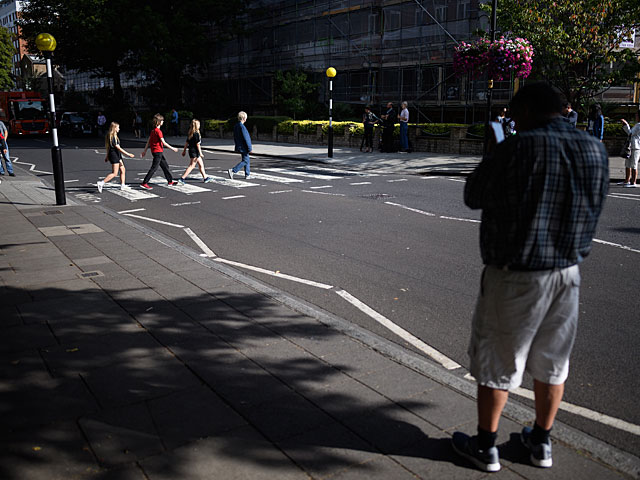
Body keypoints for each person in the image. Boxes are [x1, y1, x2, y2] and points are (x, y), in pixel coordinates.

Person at [453, 82, 608, 473]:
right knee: (553, 362)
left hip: (516, 275)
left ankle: (485, 447)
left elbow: (474, 194)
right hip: (567, 273)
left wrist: (494, 149)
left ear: (524, 113)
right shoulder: (595, 149)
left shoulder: (517, 148)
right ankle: (541, 442)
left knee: (498, 362)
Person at [140, 114, 178, 190]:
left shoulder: (153, 131)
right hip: (158, 152)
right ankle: (144, 182)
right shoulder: (158, 131)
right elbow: (163, 142)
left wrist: (144, 151)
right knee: (154, 168)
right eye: (162, 120)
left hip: (155, 151)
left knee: (165, 166)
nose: (163, 122)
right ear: (159, 122)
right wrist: (172, 148)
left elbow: (148, 141)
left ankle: (170, 181)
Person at [97, 122, 135, 192]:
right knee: (114, 173)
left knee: (123, 169)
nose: (119, 129)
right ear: (114, 128)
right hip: (115, 156)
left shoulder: (112, 136)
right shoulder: (113, 137)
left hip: (116, 155)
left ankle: (123, 185)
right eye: (118, 127)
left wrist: (107, 156)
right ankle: (101, 183)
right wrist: (128, 154)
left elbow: (108, 148)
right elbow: (119, 148)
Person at [177, 119, 214, 185]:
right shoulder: (196, 134)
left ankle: (205, 178)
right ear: (197, 126)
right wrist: (201, 153)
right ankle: (182, 178)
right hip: (195, 152)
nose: (199, 125)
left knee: (201, 165)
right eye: (199, 124)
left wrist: (184, 151)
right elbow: (198, 144)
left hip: (191, 151)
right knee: (192, 166)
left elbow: (186, 143)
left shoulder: (190, 133)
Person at [227, 111, 252, 180]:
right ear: (244, 118)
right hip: (244, 147)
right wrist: (249, 148)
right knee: (245, 160)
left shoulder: (236, 126)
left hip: (239, 146)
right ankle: (233, 170)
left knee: (247, 160)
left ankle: (247, 175)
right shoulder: (242, 127)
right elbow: (246, 138)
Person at [620, 117, 640, 187]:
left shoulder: (638, 125)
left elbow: (630, 133)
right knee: (628, 164)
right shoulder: (637, 124)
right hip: (632, 146)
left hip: (636, 147)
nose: (636, 117)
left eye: (637, 115)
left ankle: (633, 182)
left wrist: (626, 125)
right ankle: (627, 180)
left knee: (634, 165)